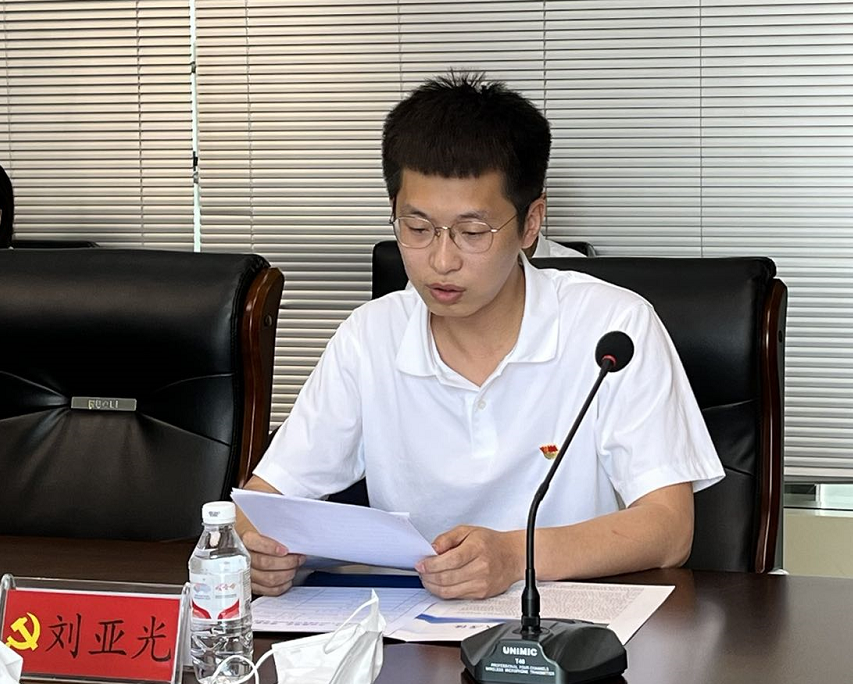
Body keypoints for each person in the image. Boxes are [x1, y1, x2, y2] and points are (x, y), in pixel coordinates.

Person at [236, 72, 724, 600]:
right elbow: (262, 500)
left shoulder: (613, 329)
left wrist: (514, 556)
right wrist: (257, 549)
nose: (442, 260)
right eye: (417, 228)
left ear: (531, 223)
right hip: (415, 628)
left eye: (472, 233)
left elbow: (669, 528)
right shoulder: (369, 336)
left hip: (573, 627)